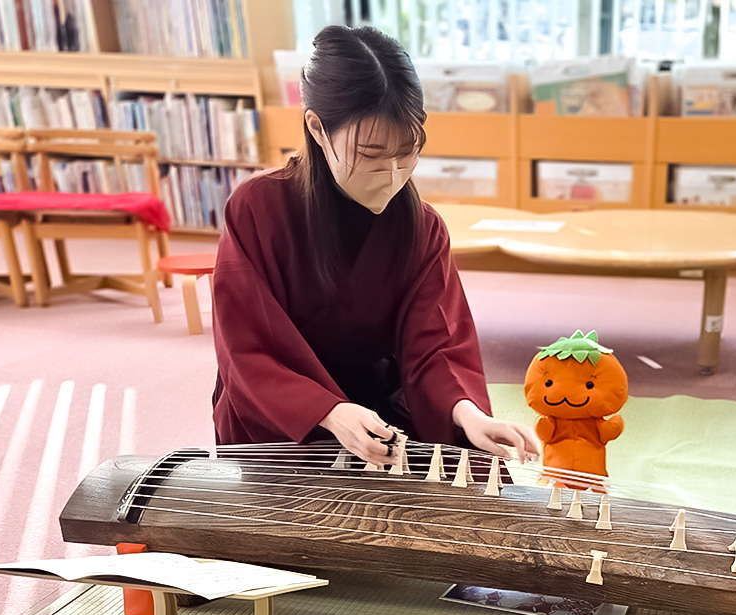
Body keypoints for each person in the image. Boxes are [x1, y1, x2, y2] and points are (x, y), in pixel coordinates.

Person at [211, 25, 538, 467]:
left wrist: (467, 413)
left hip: (380, 409)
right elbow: (247, 348)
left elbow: (436, 344)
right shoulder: (256, 208)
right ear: (318, 129)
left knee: (459, 482)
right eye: (370, 153)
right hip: (282, 412)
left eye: (408, 152)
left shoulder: (423, 227)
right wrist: (328, 411)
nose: (393, 174)